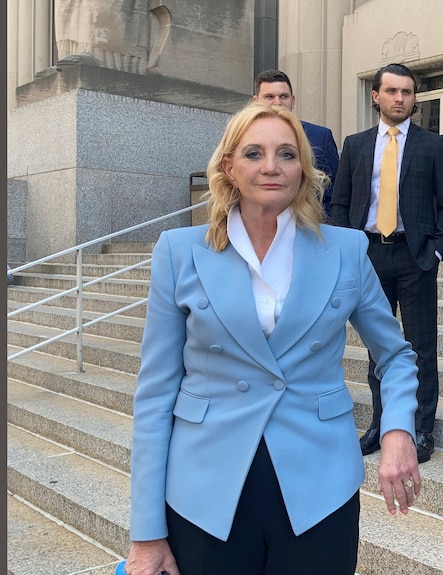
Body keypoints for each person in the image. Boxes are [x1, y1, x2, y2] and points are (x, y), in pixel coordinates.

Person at [125, 103, 421, 575]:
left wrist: (399, 430)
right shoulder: (179, 253)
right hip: (204, 489)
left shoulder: (345, 250)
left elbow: (397, 356)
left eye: (286, 154)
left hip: (320, 484)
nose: (271, 166)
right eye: (254, 153)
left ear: (303, 168)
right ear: (229, 167)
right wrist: (146, 531)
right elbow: (156, 392)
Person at [331, 63, 443, 464]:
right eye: (392, 91)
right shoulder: (355, 145)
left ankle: (422, 428)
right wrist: (348, 248)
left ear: (414, 98)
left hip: (414, 256)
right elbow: (339, 202)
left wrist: (436, 251)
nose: (400, 99)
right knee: (378, 348)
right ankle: (381, 423)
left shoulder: (432, 145)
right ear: (376, 96)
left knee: (420, 346)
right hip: (368, 255)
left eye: (407, 92)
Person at [253, 69, 340, 220]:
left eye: (283, 96)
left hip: (310, 226)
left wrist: (326, 224)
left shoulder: (320, 136)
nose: (277, 102)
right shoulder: (243, 137)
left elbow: (336, 190)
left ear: (292, 101)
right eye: (269, 97)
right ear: (256, 101)